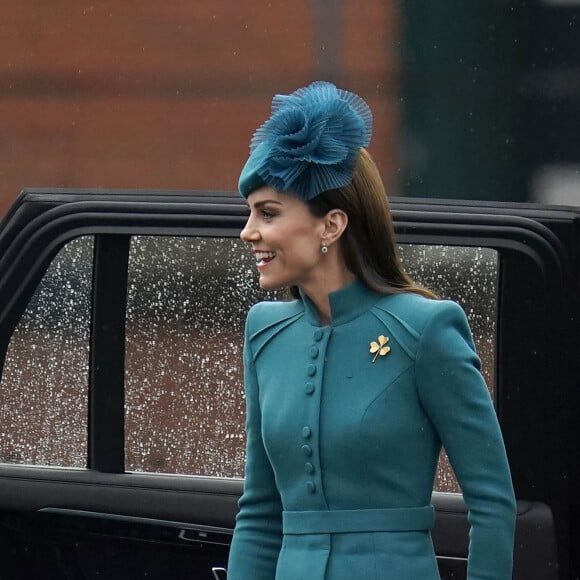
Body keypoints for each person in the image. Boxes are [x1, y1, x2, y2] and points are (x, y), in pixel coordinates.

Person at [227, 81, 516, 580]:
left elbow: (492, 505)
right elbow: (259, 513)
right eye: (250, 212)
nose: (247, 231)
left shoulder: (425, 328)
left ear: (331, 226)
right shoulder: (265, 331)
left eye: (268, 213)